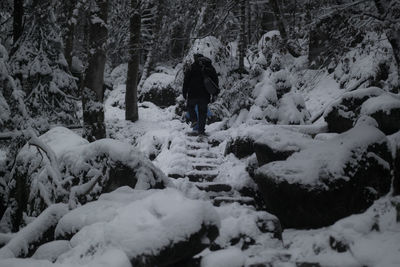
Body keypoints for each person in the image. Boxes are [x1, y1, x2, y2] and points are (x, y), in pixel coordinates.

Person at [183, 53, 219, 135]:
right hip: (204, 95)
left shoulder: (192, 67)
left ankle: (194, 120)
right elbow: (215, 80)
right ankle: (201, 131)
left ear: (196, 58)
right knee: (202, 112)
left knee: (190, 107)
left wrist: (184, 92)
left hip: (193, 93)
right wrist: (215, 93)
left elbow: (186, 81)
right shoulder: (209, 67)